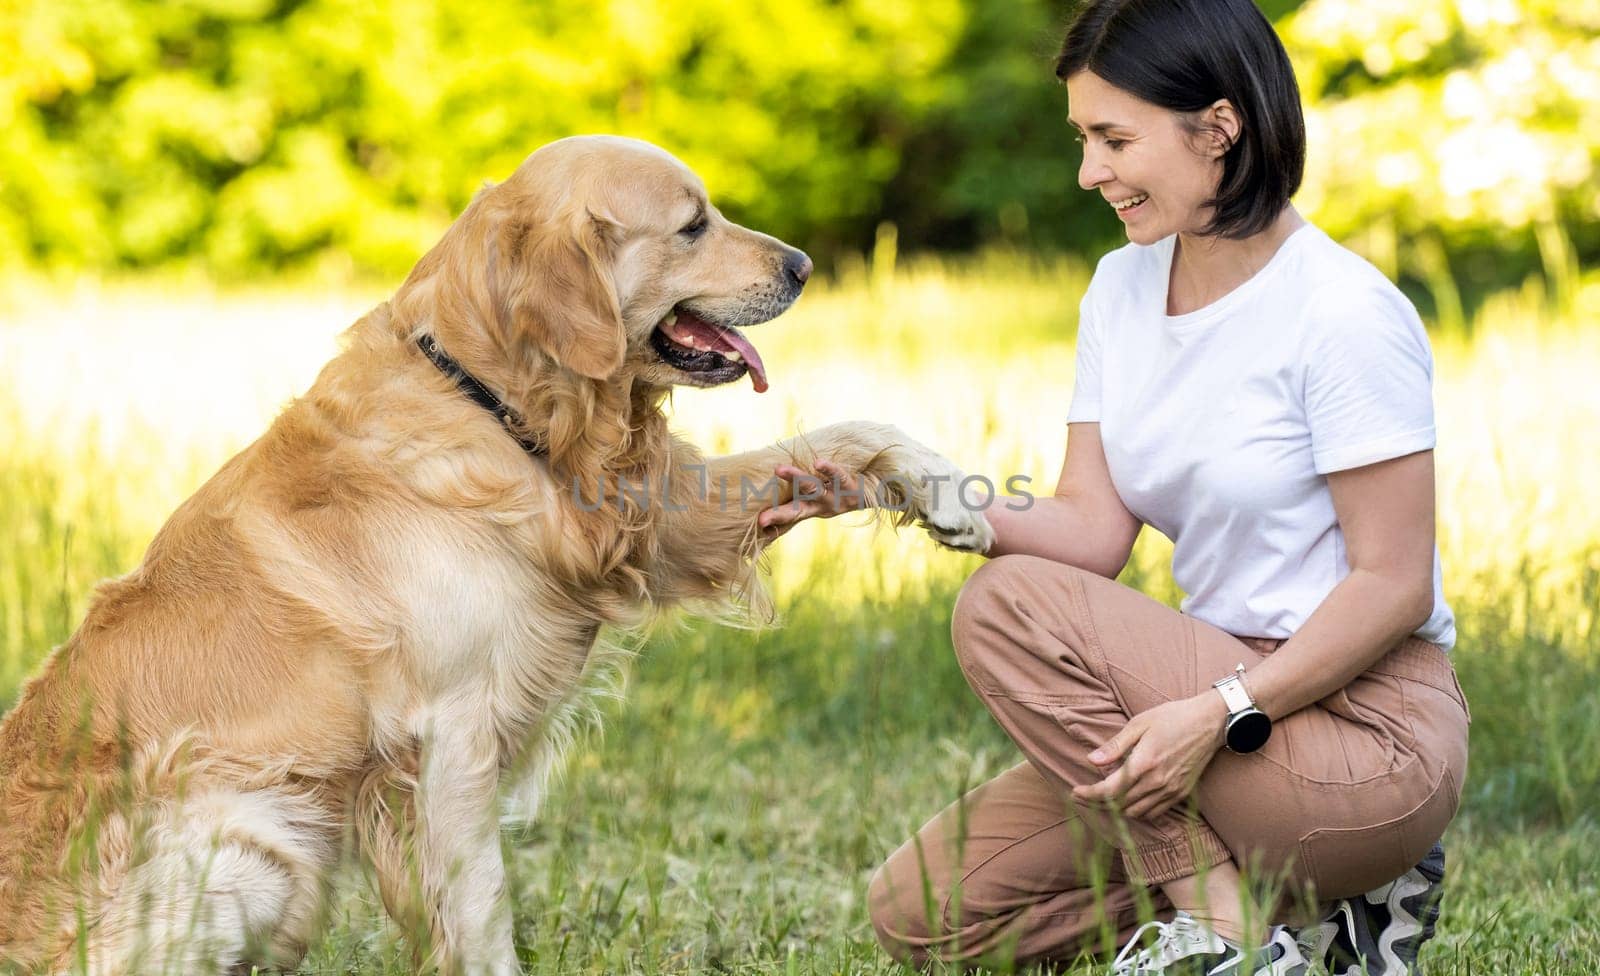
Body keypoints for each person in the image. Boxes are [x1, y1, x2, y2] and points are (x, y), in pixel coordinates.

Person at [756, 1, 1470, 973]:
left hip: (1356, 736)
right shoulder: (1122, 288)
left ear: (1219, 129)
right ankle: (1300, 914)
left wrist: (1218, 707)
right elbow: (1090, 531)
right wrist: (898, 480)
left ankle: (1225, 930)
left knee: (1002, 604)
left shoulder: (1342, 314)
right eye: (1082, 138)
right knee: (920, 911)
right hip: (1209, 713)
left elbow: (1392, 583)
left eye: (1112, 138)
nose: (1089, 171)